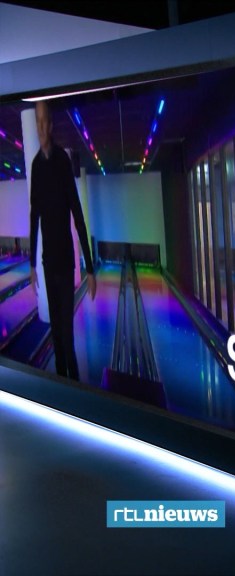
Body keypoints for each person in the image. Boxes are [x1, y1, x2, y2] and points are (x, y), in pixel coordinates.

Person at [29, 100, 97, 380]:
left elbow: (78, 215)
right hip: (48, 263)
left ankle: (75, 390)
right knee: (56, 338)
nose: (41, 127)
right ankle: (60, 392)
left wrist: (89, 268)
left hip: (66, 263)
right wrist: (31, 264)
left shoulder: (62, 161)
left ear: (51, 125)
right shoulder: (35, 166)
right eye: (37, 122)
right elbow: (34, 216)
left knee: (67, 339)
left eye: (44, 121)